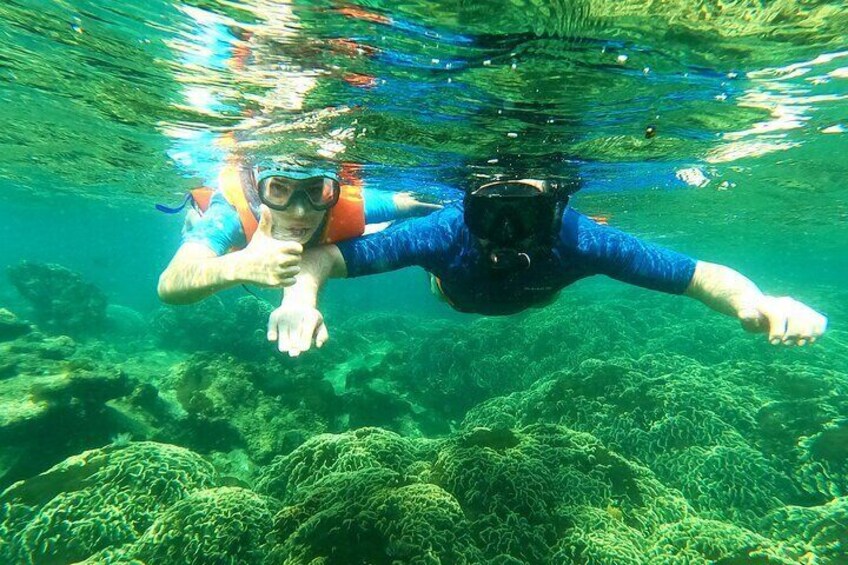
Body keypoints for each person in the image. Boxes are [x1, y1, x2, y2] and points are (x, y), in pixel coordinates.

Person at [268, 178, 827, 356]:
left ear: (556, 206)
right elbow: (323, 256)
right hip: (451, 290)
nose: (507, 232)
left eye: (526, 213)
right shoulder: (446, 230)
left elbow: (700, 275)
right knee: (404, 244)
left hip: (538, 291)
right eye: (492, 212)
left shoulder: (581, 239)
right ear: (469, 205)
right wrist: (299, 298)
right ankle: (387, 216)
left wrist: (756, 303)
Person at [157, 162, 440, 304]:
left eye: (316, 191)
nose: (301, 213)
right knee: (198, 225)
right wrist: (239, 265)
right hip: (228, 236)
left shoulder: (343, 208)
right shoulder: (229, 215)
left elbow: (411, 203)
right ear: (257, 192)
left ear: (331, 191)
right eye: (279, 189)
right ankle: (193, 220)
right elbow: (169, 285)